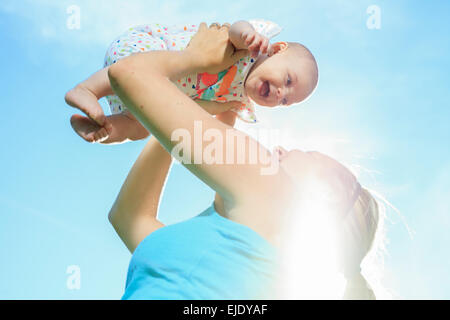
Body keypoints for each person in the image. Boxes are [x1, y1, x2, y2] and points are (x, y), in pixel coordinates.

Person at [107, 22, 380, 299]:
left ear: (328, 191)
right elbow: (129, 218)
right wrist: (186, 109)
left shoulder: (274, 187)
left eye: (308, 154)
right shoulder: (265, 275)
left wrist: (194, 59)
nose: (282, 150)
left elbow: (127, 73)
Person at [65, 19, 318, 143]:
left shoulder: (239, 103)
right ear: (276, 50)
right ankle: (87, 89)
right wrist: (248, 35)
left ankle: (101, 129)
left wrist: (222, 139)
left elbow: (223, 130)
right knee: (136, 68)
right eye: (287, 80)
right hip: (148, 52)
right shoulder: (252, 48)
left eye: (285, 100)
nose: (279, 93)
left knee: (141, 128)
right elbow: (234, 30)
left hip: (145, 94)